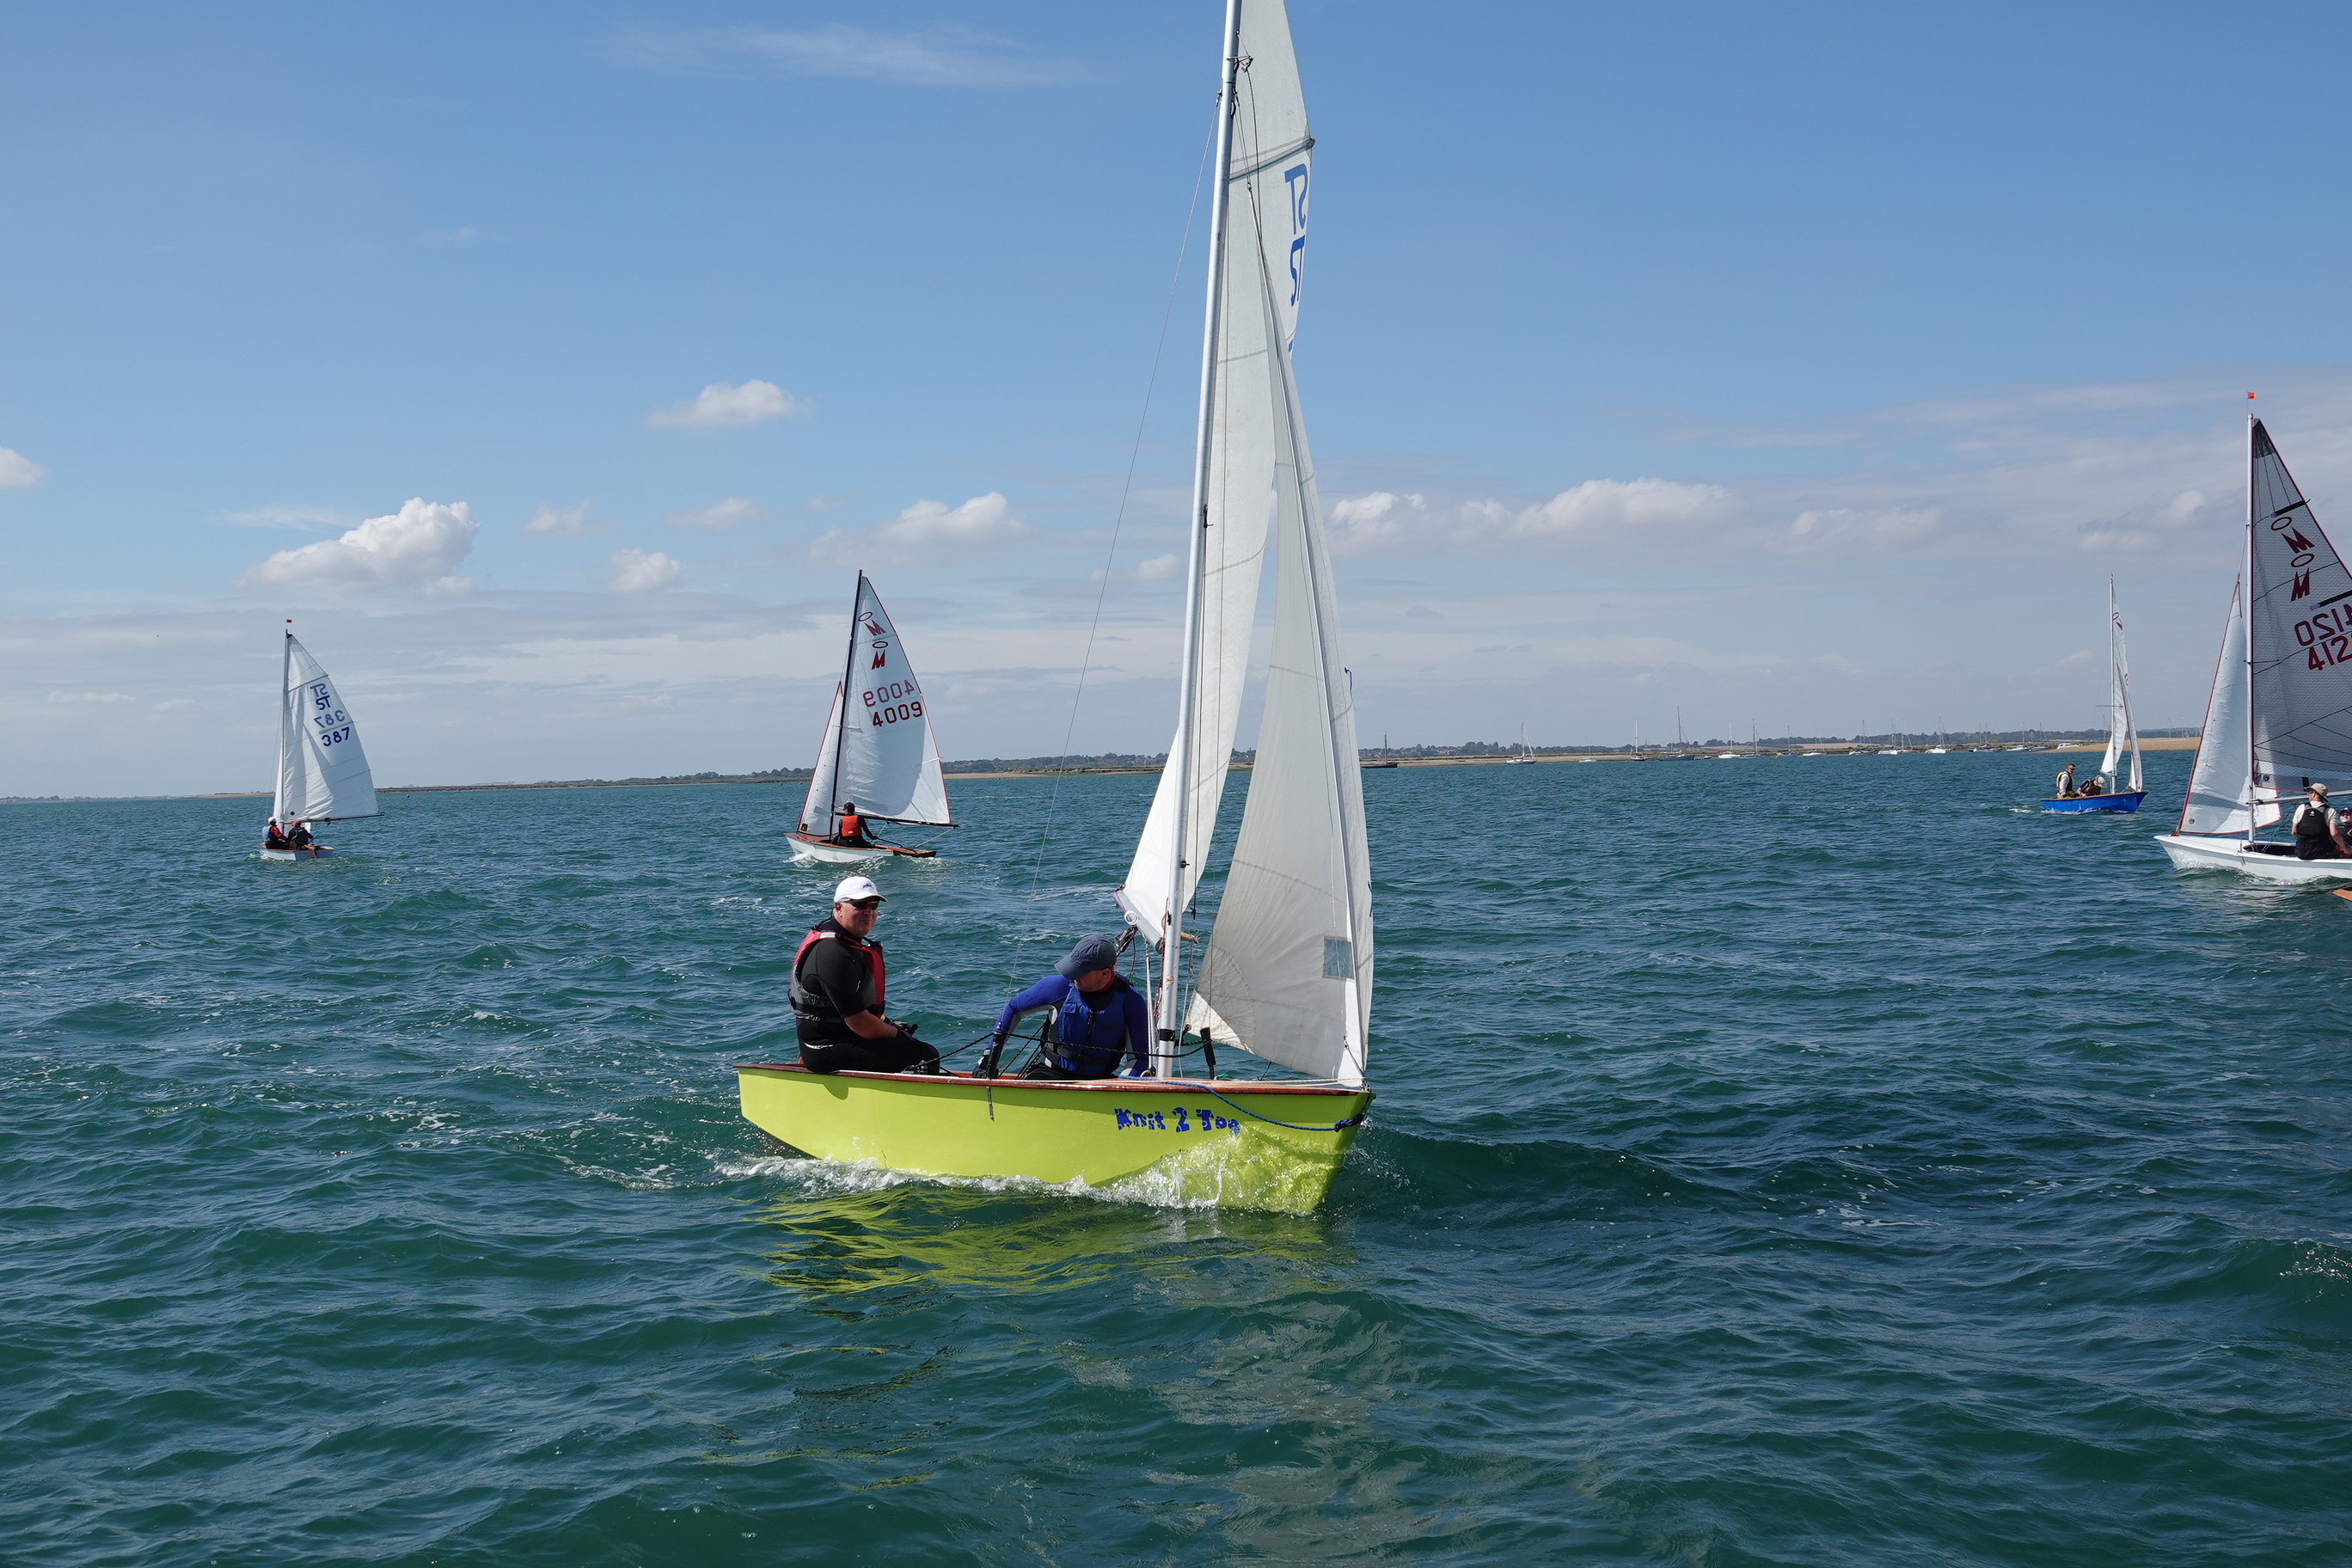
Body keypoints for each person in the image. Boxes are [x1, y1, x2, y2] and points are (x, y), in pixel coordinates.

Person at [790, 875, 941, 1074]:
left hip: (845, 1038)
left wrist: (889, 1025)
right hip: (824, 1048)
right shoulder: (831, 953)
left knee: (907, 1043)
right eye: (860, 905)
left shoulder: (846, 944)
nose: (868, 912)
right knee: (925, 1054)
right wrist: (897, 1035)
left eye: (873, 905)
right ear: (838, 907)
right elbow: (860, 1024)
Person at [988, 934, 1151, 1080]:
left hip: (1101, 1081)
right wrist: (989, 1058)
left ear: (1105, 973)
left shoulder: (1131, 1001)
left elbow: (1139, 1059)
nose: (1072, 976)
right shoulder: (1057, 987)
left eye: (1080, 971)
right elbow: (1014, 1008)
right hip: (1051, 1074)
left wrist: (1122, 1087)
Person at [2291, 783, 2345, 861]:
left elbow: (2294, 831)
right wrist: (2344, 847)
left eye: (2310, 792)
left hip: (2302, 853)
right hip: (2322, 853)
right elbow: (2334, 833)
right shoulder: (2330, 811)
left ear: (2314, 794)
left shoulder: (2301, 808)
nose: (2308, 795)